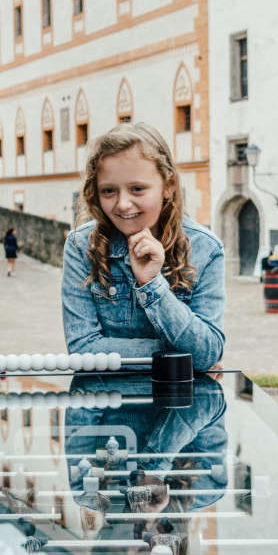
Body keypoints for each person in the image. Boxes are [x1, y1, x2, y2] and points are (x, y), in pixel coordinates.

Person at [61, 123, 225, 370]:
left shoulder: (205, 249)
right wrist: (180, 356)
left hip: (179, 404)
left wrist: (152, 284)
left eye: (137, 189)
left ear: (168, 186)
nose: (123, 204)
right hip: (108, 403)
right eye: (108, 191)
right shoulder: (81, 246)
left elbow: (207, 352)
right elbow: (83, 348)